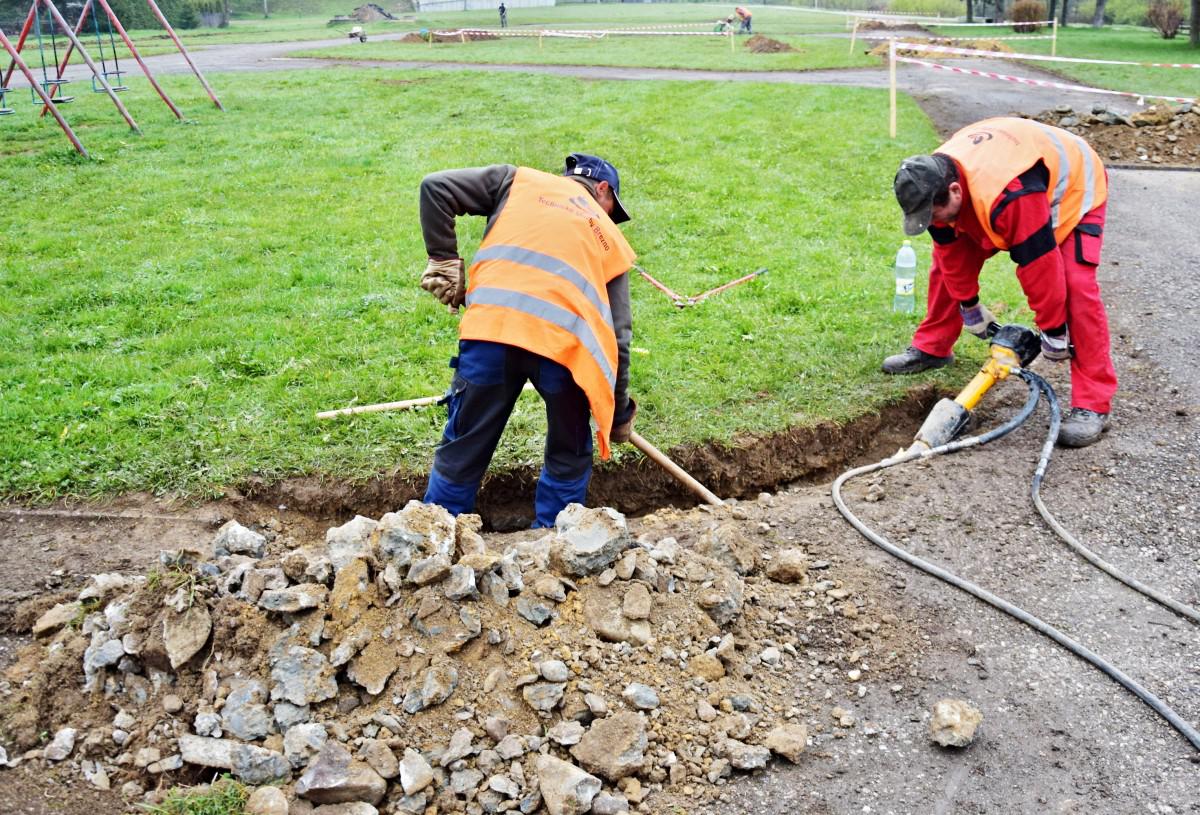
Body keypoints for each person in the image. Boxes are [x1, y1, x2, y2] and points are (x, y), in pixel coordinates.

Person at [417, 154, 639, 527]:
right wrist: (617, 415)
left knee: (466, 441)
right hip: (565, 352)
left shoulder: (515, 181)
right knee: (569, 449)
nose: (610, 217)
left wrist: (443, 259)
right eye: (613, 208)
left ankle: (434, 534)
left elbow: (435, 187)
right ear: (602, 189)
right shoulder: (608, 236)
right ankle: (554, 543)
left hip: (493, 331)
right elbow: (618, 339)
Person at [888, 116, 1116, 448]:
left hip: (1073, 188)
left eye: (935, 215)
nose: (934, 223)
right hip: (998, 174)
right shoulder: (930, 186)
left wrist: (1052, 331)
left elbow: (1039, 267)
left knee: (1075, 284)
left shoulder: (1011, 195)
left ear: (954, 190)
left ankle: (1092, 404)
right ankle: (933, 347)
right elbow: (952, 257)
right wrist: (969, 306)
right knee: (943, 268)